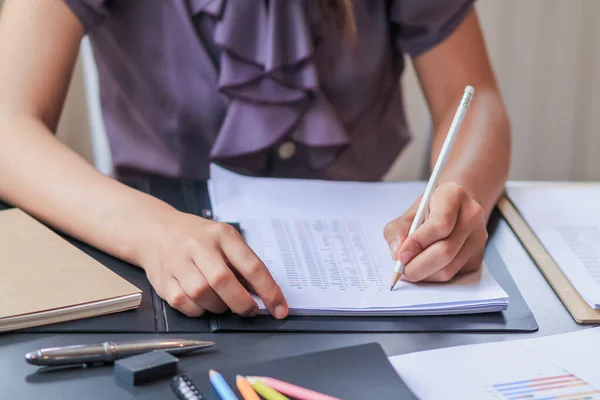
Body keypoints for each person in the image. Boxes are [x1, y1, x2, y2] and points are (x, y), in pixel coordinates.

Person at [0, 0, 510, 319]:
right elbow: (7, 130)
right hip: (152, 259)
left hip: (369, 273)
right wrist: (154, 232)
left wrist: (458, 195)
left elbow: (474, 99)